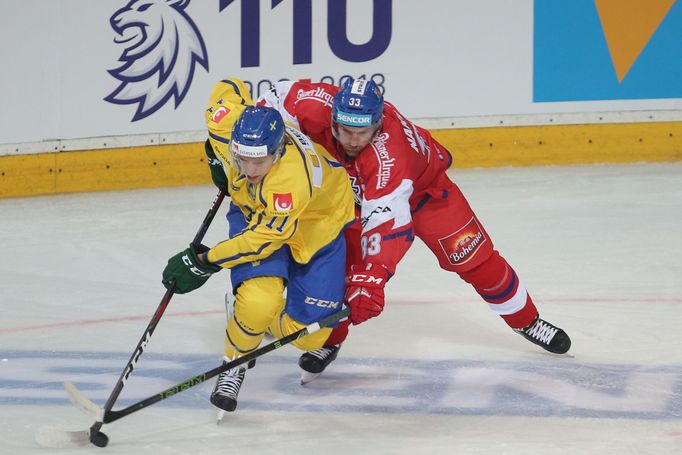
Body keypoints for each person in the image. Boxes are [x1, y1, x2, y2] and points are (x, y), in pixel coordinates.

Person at [258, 78, 572, 383]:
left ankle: (527, 321)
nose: (352, 140)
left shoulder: (388, 157)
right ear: (334, 119)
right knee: (340, 268)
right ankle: (330, 340)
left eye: (362, 132)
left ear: (378, 124)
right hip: (353, 196)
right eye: (345, 131)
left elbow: (388, 223)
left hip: (426, 195)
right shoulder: (313, 104)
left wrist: (374, 275)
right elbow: (272, 102)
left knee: (474, 259)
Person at [162, 78, 355, 413]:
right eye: (242, 159)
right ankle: (235, 359)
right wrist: (214, 157)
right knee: (258, 302)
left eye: (259, 163)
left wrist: (205, 261)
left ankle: (249, 325)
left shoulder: (290, 183)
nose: (249, 169)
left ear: (277, 152)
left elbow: (259, 243)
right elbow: (229, 84)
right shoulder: (226, 123)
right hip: (253, 212)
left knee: (310, 336)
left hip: (316, 227)